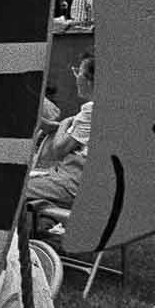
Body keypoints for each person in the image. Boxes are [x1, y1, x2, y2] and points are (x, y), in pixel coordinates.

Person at [26, 56, 94, 213]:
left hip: (70, 181)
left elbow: (58, 150)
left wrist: (63, 124)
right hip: (65, 176)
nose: (76, 78)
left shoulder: (91, 110)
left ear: (89, 81)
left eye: (79, 72)